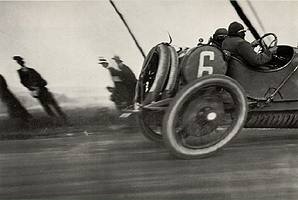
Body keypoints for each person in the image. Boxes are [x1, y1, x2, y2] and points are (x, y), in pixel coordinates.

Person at [13, 56, 67, 120]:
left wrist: (40, 85)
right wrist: (32, 88)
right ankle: (54, 119)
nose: (21, 63)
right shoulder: (20, 72)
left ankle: (63, 118)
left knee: (53, 104)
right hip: (36, 91)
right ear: (18, 63)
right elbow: (23, 82)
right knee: (46, 106)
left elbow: (41, 79)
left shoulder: (32, 70)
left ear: (23, 62)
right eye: (19, 62)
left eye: (21, 61)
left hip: (42, 89)